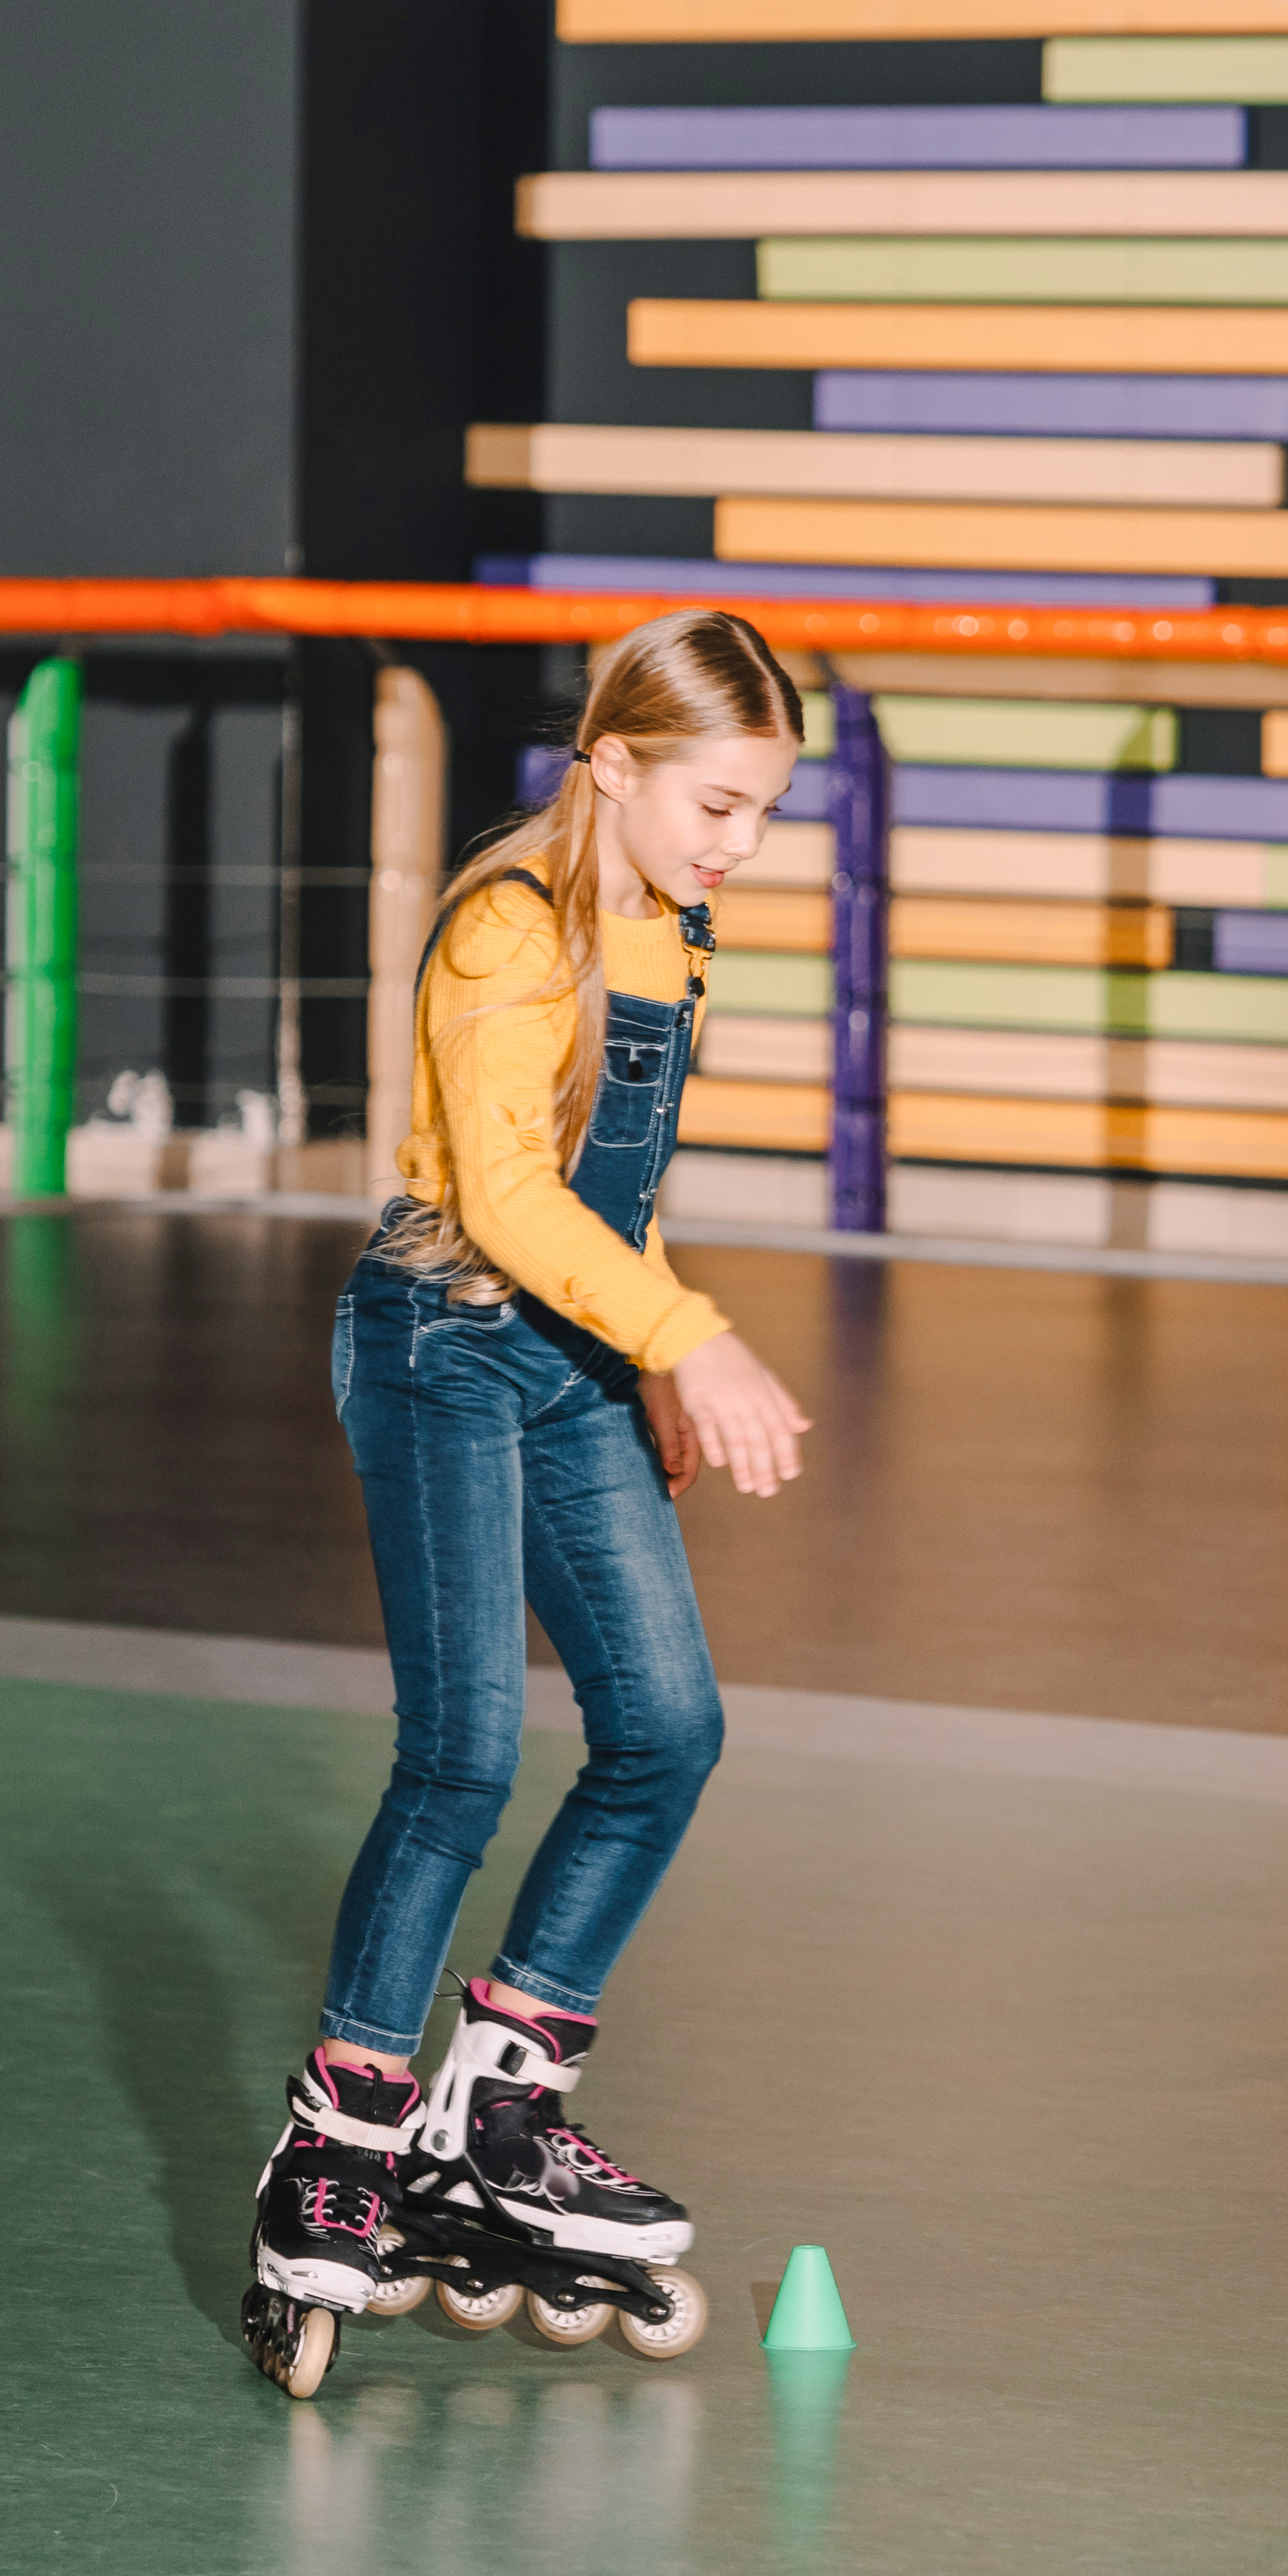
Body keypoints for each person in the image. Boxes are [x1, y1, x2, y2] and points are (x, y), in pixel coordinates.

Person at [242, 607, 818, 2392]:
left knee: (666, 1727)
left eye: (761, 813)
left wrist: (640, 1356)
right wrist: (694, 1340)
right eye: (715, 804)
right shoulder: (512, 922)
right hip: (442, 1343)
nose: (738, 845)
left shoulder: (679, 930)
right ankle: (337, 2139)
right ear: (616, 762)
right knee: (465, 1754)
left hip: (574, 1359)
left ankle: (502, 2097)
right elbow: (500, 1192)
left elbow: (613, 1184)